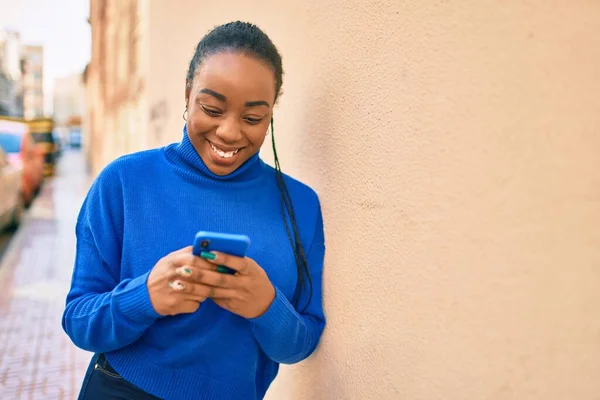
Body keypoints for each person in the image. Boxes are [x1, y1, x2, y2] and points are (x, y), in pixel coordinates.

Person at [62, 21, 326, 400]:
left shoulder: (299, 205)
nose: (230, 132)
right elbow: (79, 320)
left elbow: (302, 344)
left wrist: (266, 306)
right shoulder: (123, 181)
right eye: (212, 108)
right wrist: (144, 296)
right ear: (188, 95)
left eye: (253, 118)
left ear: (271, 114)